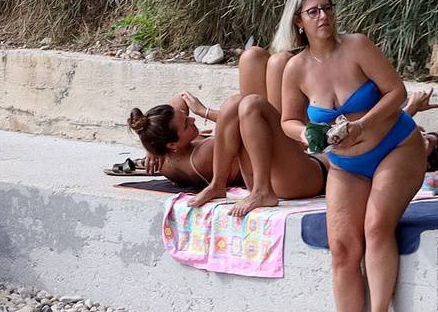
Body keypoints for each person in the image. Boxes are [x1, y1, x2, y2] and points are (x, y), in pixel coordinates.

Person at [274, 0, 426, 312]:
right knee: (342, 247)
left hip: (396, 147)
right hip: (345, 163)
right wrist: (310, 134)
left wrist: (362, 125)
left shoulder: (357, 46)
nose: (324, 16)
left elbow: (396, 92)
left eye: (327, 7)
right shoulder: (296, 68)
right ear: (299, 22)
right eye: (314, 11)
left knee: (377, 225)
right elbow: (288, 120)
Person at [127, 44, 329, 216]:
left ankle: (217, 185)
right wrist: (204, 112)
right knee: (257, 93)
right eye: (187, 124)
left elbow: (178, 103)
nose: (191, 119)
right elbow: (235, 125)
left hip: (278, 172)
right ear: (172, 145)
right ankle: (261, 191)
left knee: (250, 62)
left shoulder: (164, 153)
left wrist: (150, 147)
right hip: (302, 175)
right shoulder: (201, 156)